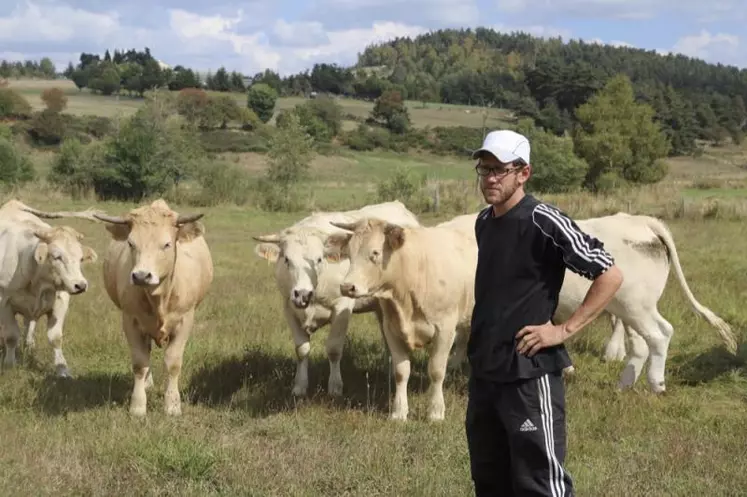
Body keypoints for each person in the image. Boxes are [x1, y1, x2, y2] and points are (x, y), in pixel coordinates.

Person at [465, 129, 624, 497]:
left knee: (539, 482)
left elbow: (610, 274)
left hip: (528, 372)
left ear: (524, 173)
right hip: (485, 372)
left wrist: (562, 330)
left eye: (499, 170)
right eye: (484, 169)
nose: (489, 178)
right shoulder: (484, 222)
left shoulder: (544, 220)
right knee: (489, 479)